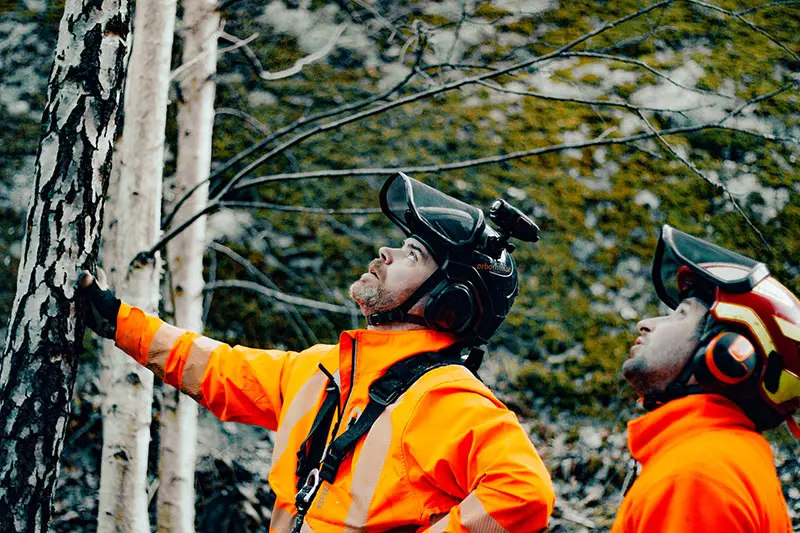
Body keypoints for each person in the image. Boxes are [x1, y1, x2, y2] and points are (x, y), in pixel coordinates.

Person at [79, 172, 555, 533]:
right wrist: (116, 319)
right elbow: (216, 368)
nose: (385, 252)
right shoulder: (325, 367)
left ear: (450, 302)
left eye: (413, 253)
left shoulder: (446, 398)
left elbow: (526, 494)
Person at [613, 224, 799, 533]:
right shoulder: (718, 456)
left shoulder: (696, 476)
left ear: (728, 353)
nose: (646, 323)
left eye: (681, 314)